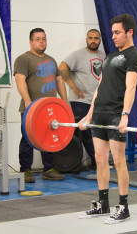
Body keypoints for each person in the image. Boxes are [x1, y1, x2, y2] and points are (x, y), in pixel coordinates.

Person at [78, 14, 137, 223]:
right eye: (112, 32)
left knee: (118, 160)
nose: (113, 36)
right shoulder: (109, 57)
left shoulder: (134, 57)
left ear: (129, 32)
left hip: (116, 114)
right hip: (99, 114)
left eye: (117, 32)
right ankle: (103, 204)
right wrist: (89, 114)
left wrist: (125, 115)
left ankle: (123, 207)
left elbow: (131, 87)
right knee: (99, 159)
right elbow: (100, 87)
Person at [14, 28, 66, 183]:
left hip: (50, 109)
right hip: (32, 109)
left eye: (44, 38)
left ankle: (48, 169)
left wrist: (64, 102)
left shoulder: (51, 60)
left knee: (49, 137)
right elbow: (20, 80)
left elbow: (59, 81)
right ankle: (25, 171)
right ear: (31, 41)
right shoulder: (24, 59)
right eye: (38, 39)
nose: (41, 41)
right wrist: (28, 101)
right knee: (28, 138)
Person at [59, 29, 105, 169]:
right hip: (81, 101)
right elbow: (62, 67)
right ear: (86, 39)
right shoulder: (78, 55)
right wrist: (74, 87)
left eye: (96, 38)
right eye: (90, 38)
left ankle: (95, 161)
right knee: (86, 133)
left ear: (100, 40)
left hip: (96, 102)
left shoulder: (103, 56)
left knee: (97, 132)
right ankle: (95, 163)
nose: (93, 41)